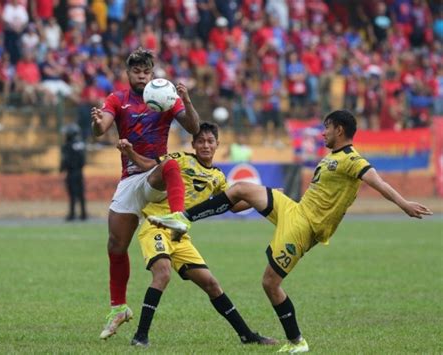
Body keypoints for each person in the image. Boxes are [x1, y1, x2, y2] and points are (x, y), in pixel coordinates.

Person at [148, 110, 433, 353]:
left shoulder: (351, 160)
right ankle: (184, 218)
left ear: (340, 130)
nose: (323, 134)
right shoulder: (331, 156)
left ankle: (297, 341)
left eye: (326, 128)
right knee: (239, 189)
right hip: (294, 210)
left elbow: (378, 182)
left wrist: (404, 204)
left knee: (270, 284)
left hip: (304, 227)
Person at [117, 122, 277, 347]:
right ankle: (140, 336)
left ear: (217, 145)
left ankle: (247, 336)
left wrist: (265, 198)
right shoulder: (180, 159)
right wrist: (130, 152)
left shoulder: (218, 177)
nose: (205, 145)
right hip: (156, 226)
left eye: (210, 141)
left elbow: (231, 205)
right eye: (200, 141)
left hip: (180, 236)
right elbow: (148, 166)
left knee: (211, 284)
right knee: (162, 274)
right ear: (193, 144)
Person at [91, 47, 200, 339]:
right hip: (130, 178)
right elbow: (101, 129)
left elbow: (194, 127)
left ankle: (178, 216)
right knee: (115, 245)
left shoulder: (165, 95)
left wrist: (186, 100)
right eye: (136, 71)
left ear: (152, 73)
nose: (142, 75)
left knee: (171, 164)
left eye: (146, 71)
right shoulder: (118, 99)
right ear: (128, 74)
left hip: (155, 173)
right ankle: (119, 308)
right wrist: (97, 120)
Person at [60, 123, 87, 221]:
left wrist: (62, 169)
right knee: (81, 194)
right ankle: (83, 214)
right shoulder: (81, 144)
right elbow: (83, 160)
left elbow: (65, 160)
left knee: (72, 194)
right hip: (79, 172)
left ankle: (72, 214)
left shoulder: (67, 146)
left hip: (71, 173)